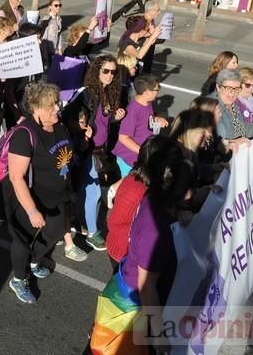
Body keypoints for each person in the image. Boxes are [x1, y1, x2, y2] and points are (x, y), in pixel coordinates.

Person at [89, 148, 197, 354]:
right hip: (130, 308)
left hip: (129, 293)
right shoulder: (155, 232)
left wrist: (179, 212)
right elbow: (147, 287)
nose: (193, 191)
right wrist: (158, 334)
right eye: (190, 186)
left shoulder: (152, 198)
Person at [4, 82, 74, 304]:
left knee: (54, 232)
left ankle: (35, 259)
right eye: (51, 105)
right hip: (31, 197)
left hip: (56, 195)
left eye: (57, 103)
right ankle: (19, 278)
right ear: (36, 108)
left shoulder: (59, 125)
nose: (57, 108)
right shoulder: (24, 135)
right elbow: (16, 177)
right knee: (22, 241)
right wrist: (32, 210)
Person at [62, 55, 126, 252]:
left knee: (82, 187)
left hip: (99, 149)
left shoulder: (109, 93)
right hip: (86, 148)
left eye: (113, 72)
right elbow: (67, 116)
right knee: (93, 190)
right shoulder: (87, 93)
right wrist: (83, 130)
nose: (109, 75)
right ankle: (91, 232)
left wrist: (115, 117)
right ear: (97, 71)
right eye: (105, 71)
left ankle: (75, 220)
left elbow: (104, 121)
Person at [105, 136, 189, 270]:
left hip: (137, 248)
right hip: (123, 252)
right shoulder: (135, 188)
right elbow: (114, 224)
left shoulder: (153, 183)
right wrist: (142, 236)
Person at [113, 73, 168, 177]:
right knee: (127, 187)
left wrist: (157, 119)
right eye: (156, 90)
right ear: (146, 91)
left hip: (138, 157)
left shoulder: (147, 103)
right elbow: (123, 138)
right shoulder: (133, 111)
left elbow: (146, 120)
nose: (158, 92)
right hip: (128, 158)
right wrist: (143, 152)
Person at [212, 69, 253, 144]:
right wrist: (229, 143)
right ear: (218, 87)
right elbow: (207, 136)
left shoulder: (233, 105)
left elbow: (240, 127)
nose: (233, 93)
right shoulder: (211, 106)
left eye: (236, 89)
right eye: (228, 88)